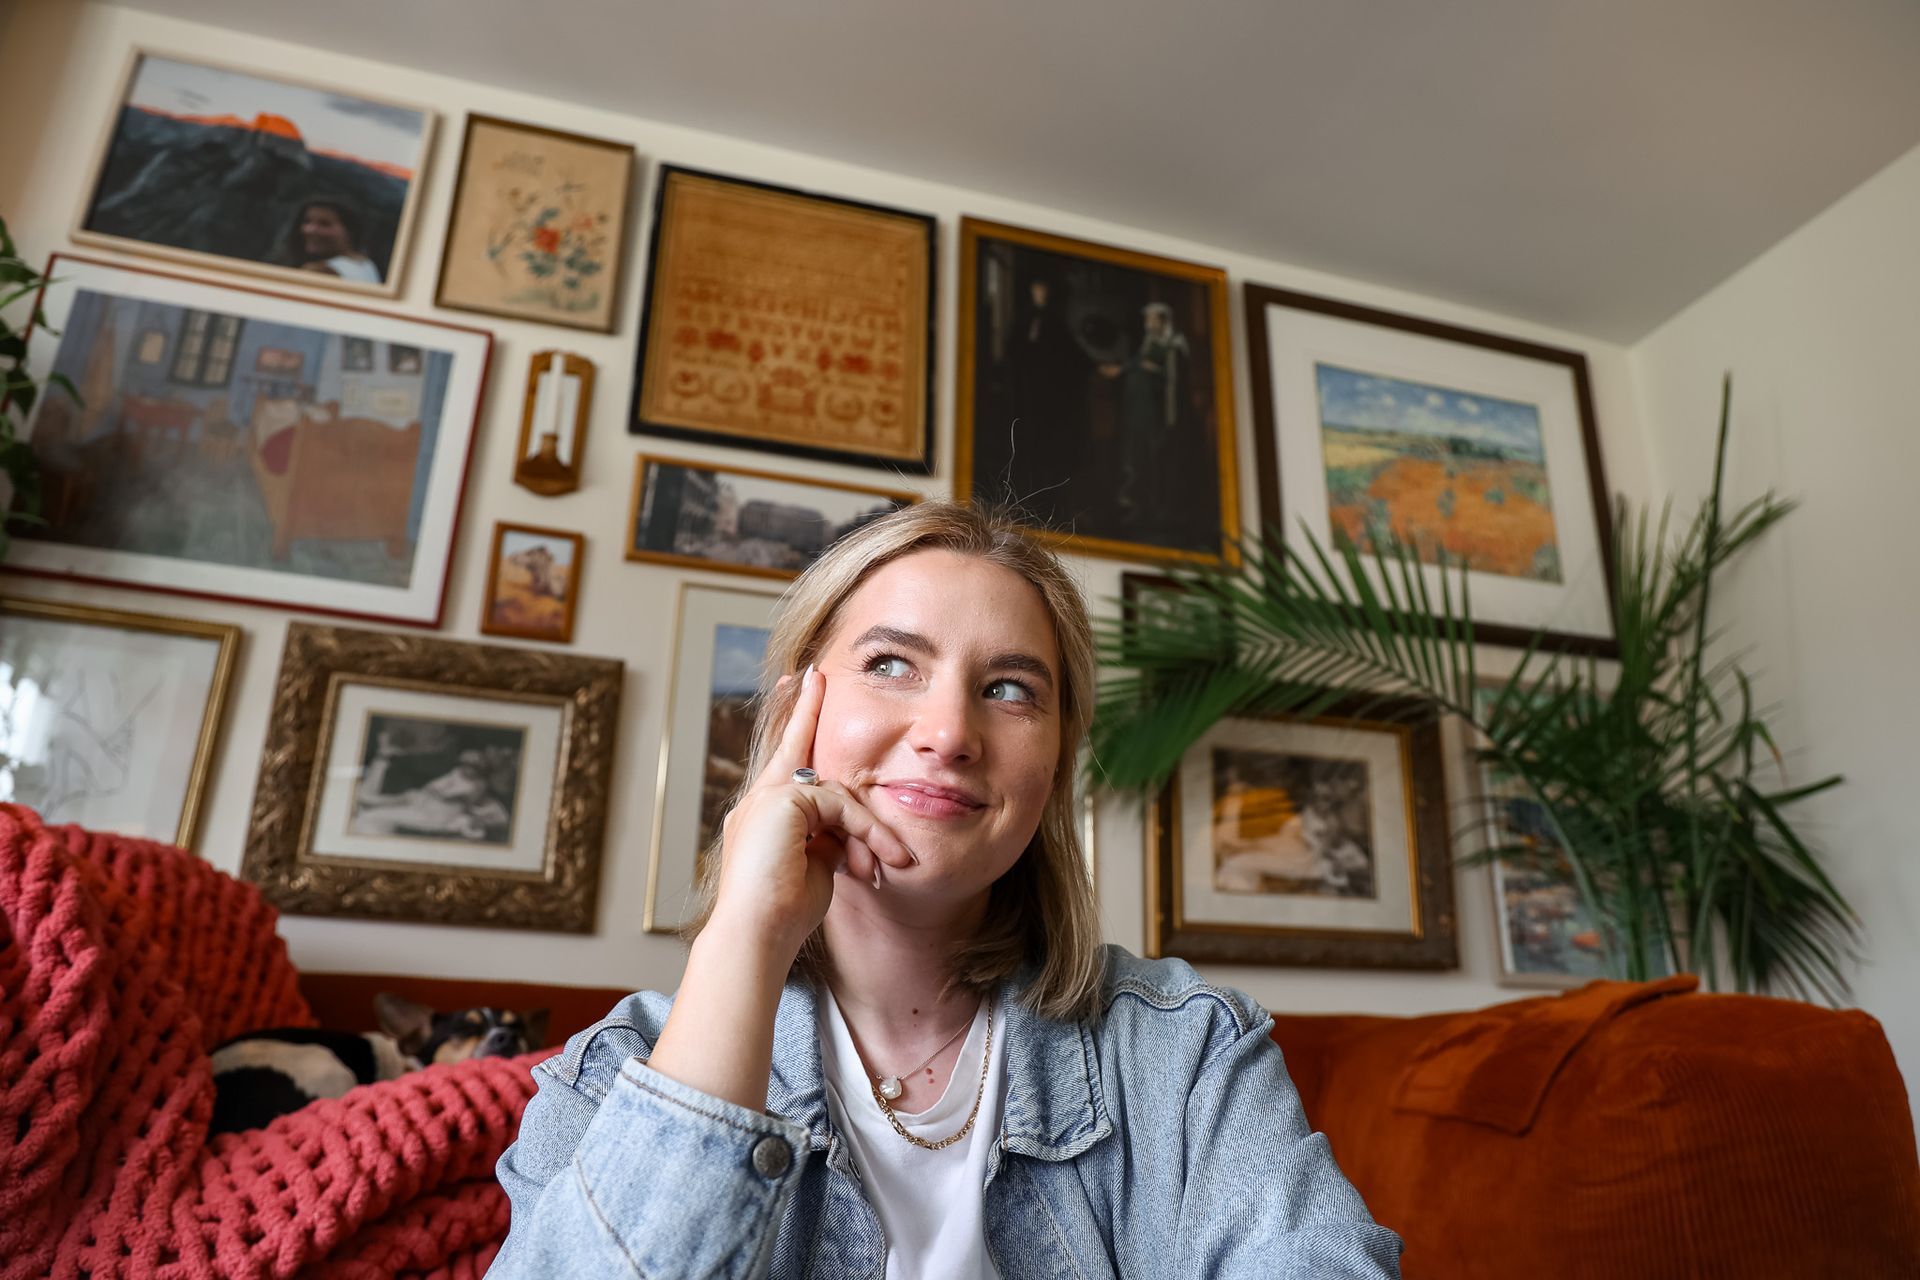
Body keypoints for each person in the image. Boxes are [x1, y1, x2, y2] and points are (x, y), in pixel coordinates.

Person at [488, 501, 1401, 1278]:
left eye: (1009, 689)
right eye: (890, 664)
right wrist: (744, 934)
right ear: (793, 712)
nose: (949, 731)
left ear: (1054, 762)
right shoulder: (616, 1075)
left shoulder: (1186, 1051)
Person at [281, 197, 382, 284]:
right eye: (307, 221)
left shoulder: (318, 272)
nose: (310, 230)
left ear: (349, 232)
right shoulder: (366, 264)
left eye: (324, 224)